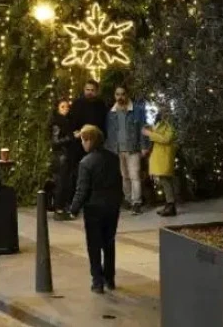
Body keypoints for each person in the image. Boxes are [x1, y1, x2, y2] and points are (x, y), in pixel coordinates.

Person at [68, 125, 124, 294]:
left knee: (94, 245)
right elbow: (118, 182)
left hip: (94, 207)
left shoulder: (86, 163)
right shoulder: (113, 158)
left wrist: (74, 208)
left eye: (84, 140)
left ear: (90, 140)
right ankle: (110, 278)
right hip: (112, 206)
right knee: (109, 242)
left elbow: (82, 189)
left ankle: (97, 281)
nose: (82, 144)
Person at [105, 85, 148, 214]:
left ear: (127, 94)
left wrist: (144, 146)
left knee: (135, 175)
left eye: (122, 94)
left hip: (133, 148)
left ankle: (136, 202)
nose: (120, 97)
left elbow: (143, 128)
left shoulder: (137, 110)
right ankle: (128, 199)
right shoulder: (111, 113)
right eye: (117, 94)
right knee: (124, 176)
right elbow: (109, 132)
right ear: (114, 95)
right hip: (118, 149)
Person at [143, 110, 178, 216]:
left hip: (165, 154)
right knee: (164, 179)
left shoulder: (170, 124)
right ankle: (169, 204)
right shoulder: (159, 122)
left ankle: (171, 205)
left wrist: (150, 134)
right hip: (158, 155)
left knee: (165, 179)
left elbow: (167, 139)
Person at [50, 99, 78, 220]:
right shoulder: (57, 123)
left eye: (67, 106)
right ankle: (59, 209)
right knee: (61, 183)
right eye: (62, 107)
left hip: (68, 156)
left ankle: (64, 207)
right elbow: (55, 142)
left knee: (68, 183)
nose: (65, 109)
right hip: (61, 156)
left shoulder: (69, 121)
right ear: (57, 109)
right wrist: (72, 137)